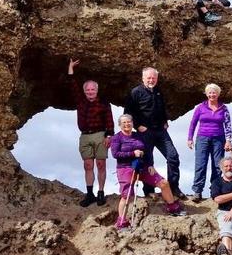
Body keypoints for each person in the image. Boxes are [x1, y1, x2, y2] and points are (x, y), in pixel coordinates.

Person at [110, 114, 187, 230]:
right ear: (120, 125)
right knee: (127, 195)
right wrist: (132, 154)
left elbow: (148, 150)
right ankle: (122, 222)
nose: (127, 124)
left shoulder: (139, 136)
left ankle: (172, 208)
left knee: (164, 183)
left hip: (142, 166)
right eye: (124, 122)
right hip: (125, 168)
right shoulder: (116, 138)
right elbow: (115, 154)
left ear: (132, 123)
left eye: (129, 122)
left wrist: (150, 164)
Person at [123, 67, 181, 199]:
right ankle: (149, 190)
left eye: (153, 78)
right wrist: (137, 126)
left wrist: (165, 121)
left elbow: (161, 108)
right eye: (148, 78)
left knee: (173, 157)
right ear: (143, 78)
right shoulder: (135, 92)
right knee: (147, 161)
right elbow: (127, 112)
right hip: (145, 132)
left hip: (160, 130)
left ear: (157, 79)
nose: (151, 80)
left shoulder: (158, 91)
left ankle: (173, 187)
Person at [68, 59, 114, 208]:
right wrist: (70, 68)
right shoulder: (80, 101)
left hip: (100, 135)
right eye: (87, 90)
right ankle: (89, 194)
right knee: (88, 165)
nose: (90, 92)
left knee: (101, 164)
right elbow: (72, 84)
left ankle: (101, 192)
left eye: (92, 90)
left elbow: (109, 120)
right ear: (84, 91)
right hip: (85, 136)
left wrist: (109, 135)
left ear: (97, 90)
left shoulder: (103, 103)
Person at [185, 83, 232, 203]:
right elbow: (193, 123)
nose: (212, 94)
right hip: (202, 138)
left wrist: (228, 141)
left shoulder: (224, 108)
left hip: (218, 139)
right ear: (206, 94)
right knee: (200, 164)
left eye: (214, 92)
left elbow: (227, 125)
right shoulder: (200, 107)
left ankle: (215, 190)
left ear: (218, 94)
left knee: (217, 165)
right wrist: (190, 138)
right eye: (210, 92)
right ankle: (197, 191)